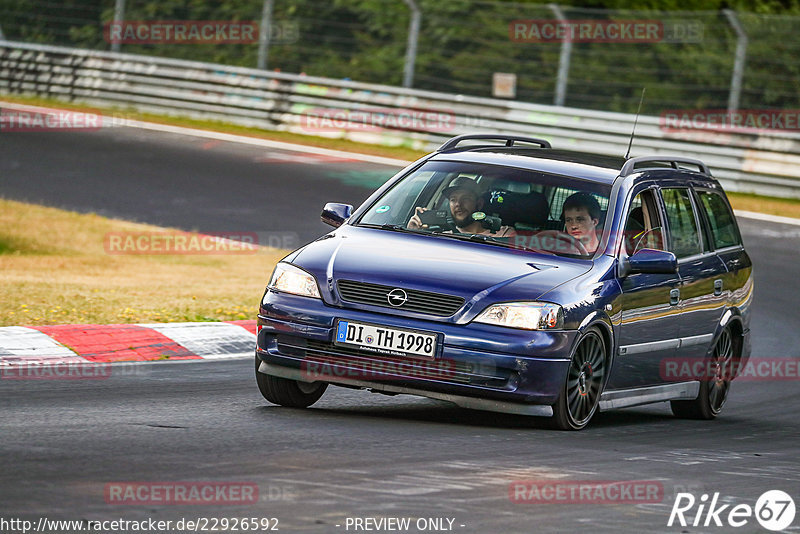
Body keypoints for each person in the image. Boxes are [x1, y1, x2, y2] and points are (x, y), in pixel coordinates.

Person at [408, 176, 516, 237]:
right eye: (453, 199)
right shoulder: (441, 236)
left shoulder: (504, 234)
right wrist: (412, 233)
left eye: (465, 199)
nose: (458, 204)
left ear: (479, 204)